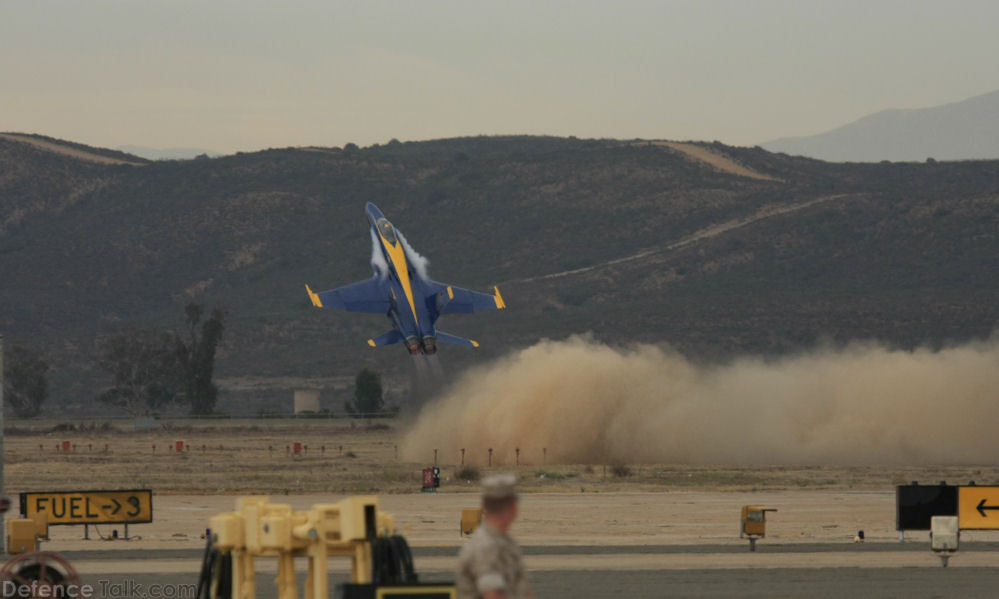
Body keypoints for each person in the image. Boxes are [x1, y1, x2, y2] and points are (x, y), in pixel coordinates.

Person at [456, 474, 534, 599]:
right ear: (514, 507)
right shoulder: (486, 546)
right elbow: (493, 595)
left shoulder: (505, 542)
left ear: (483, 505)